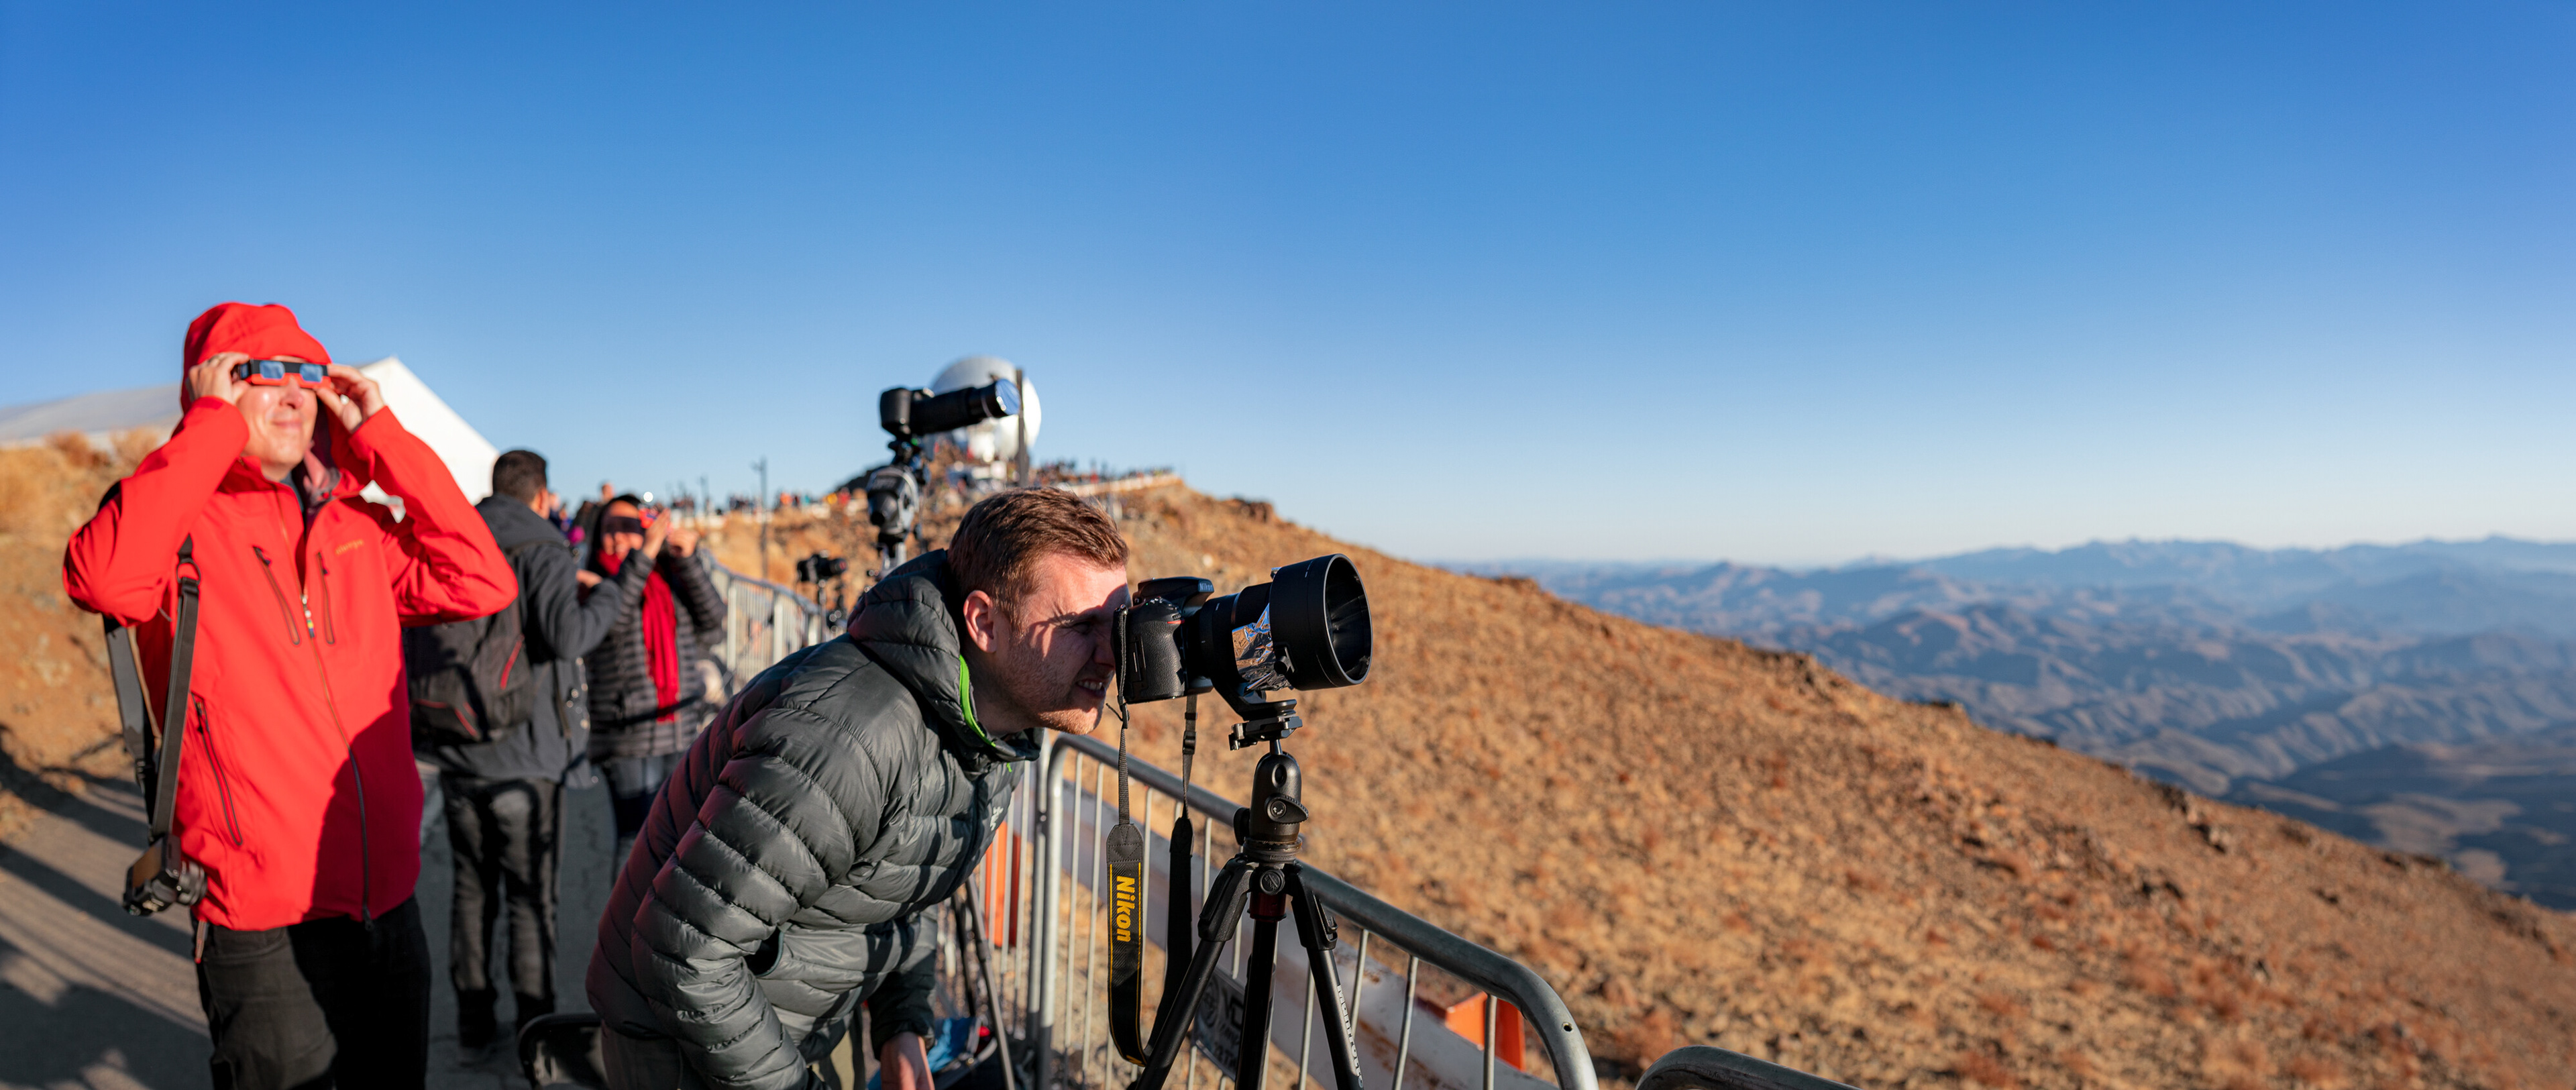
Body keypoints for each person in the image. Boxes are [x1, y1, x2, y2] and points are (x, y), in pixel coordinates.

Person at [62, 302, 517, 1089]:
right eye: (256, 373)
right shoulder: (173, 519)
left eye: (307, 375)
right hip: (259, 918)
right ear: (208, 390)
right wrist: (206, 430)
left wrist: (382, 437)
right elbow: (102, 578)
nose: (290, 392)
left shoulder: (358, 527)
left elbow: (482, 578)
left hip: (387, 902)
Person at [588, 488, 1128, 1090]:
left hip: (794, 1012)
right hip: (681, 1042)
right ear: (984, 623)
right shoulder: (849, 739)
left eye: (1120, 622)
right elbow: (684, 951)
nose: (1112, 654)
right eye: (1082, 625)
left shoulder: (989, 720)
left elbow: (898, 886)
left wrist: (902, 1028)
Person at [415, 449, 666, 1054]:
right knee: (531, 901)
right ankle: (535, 1031)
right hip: (527, 757)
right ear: (539, 494)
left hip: (457, 745)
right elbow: (569, 636)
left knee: (471, 891)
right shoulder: (542, 545)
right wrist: (622, 580)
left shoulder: (459, 537)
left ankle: (474, 1023)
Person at [582, 494, 726, 865]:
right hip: (627, 732)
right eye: (609, 528)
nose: (617, 537)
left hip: (678, 725)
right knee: (636, 840)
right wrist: (643, 556)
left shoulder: (669, 575)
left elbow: (713, 623)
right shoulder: (592, 579)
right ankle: (622, 923)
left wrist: (689, 560)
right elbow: (612, 620)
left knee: (678, 837)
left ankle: (655, 922)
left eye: (628, 528)